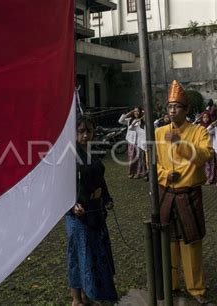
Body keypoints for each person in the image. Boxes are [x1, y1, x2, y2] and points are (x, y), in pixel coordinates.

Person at [155, 80, 213, 304]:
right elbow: (153, 162)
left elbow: (205, 155)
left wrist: (181, 144)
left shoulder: (198, 131)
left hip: (189, 194)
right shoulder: (159, 132)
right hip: (167, 193)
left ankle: (196, 289)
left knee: (191, 241)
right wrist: (163, 175)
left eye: (176, 106)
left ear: (186, 109)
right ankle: (171, 284)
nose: (171, 110)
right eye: (169, 106)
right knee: (168, 241)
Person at [65, 115, 118, 305]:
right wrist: (72, 204)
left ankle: (90, 294)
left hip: (96, 211)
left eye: (89, 131)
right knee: (78, 256)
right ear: (74, 133)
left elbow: (100, 178)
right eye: (81, 132)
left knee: (95, 254)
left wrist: (107, 198)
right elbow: (62, 186)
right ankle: (76, 299)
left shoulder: (93, 151)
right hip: (78, 214)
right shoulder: (68, 154)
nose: (86, 135)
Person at [119, 107, 142, 178]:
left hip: (139, 142)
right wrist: (130, 112)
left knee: (139, 158)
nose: (136, 113)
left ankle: (138, 173)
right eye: (135, 111)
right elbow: (120, 121)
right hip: (131, 141)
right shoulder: (129, 120)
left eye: (138, 111)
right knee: (131, 158)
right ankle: (131, 172)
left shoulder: (142, 120)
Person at [196, 112, 215, 184]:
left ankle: (210, 178)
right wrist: (196, 120)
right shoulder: (199, 126)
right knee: (204, 164)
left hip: (210, 147)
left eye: (207, 117)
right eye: (204, 117)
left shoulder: (213, 128)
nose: (205, 119)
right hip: (202, 148)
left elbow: (207, 131)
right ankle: (204, 178)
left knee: (211, 164)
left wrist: (211, 125)